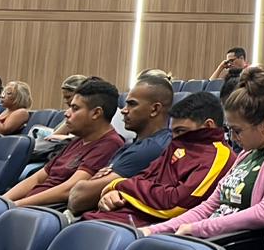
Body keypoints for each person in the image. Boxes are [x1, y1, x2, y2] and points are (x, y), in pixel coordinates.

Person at [144, 68, 264, 238]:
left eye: (237, 131)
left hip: (235, 243)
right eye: (229, 130)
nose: (233, 138)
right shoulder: (246, 155)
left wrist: (197, 229)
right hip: (209, 236)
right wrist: (155, 229)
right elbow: (208, 207)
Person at [83, 92, 233, 227]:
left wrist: (120, 186)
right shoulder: (179, 144)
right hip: (115, 217)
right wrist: (114, 192)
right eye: (173, 132)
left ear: (208, 125)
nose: (174, 138)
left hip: (147, 229)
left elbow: (176, 204)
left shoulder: (219, 156)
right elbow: (144, 176)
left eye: (181, 131)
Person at [3, 77, 125, 207]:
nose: (66, 113)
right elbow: (38, 178)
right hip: (26, 206)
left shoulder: (110, 144)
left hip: (45, 210)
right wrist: (4, 201)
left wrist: (14, 205)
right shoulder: (79, 140)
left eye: (75, 108)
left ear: (96, 113)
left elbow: (69, 190)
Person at [67, 75, 174, 214]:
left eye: (132, 104)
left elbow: (78, 197)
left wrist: (88, 184)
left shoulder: (151, 148)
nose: (124, 110)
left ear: (154, 109)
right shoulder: (132, 145)